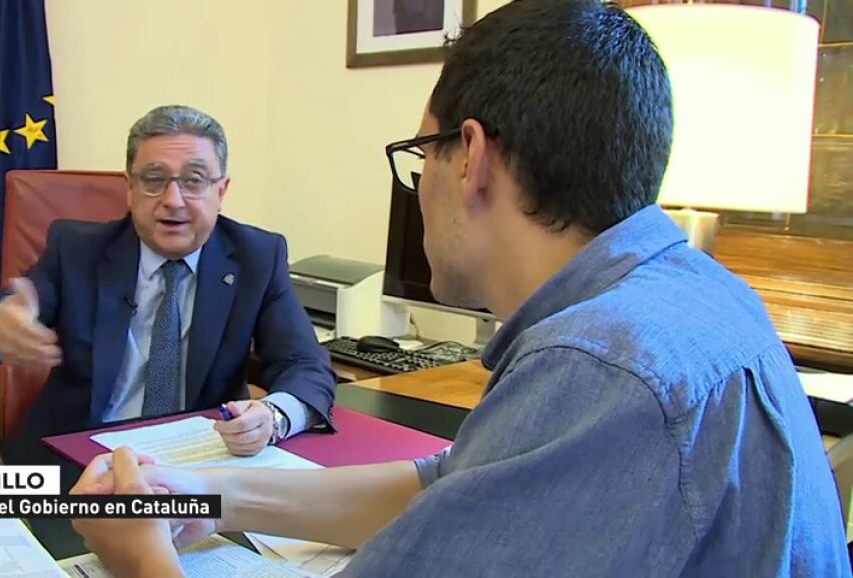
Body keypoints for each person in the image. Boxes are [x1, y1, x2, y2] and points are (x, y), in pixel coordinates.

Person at [69, 1, 851, 575]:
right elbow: (449, 489)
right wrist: (202, 492)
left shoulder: (600, 364)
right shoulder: (696, 294)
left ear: (469, 156)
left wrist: (142, 559)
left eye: (422, 155)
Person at [0, 105, 337, 455]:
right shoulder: (77, 250)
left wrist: (273, 416)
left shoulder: (257, 257)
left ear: (221, 190)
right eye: (154, 179)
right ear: (129, 188)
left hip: (199, 460)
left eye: (194, 180)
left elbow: (305, 364)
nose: (173, 200)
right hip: (78, 458)